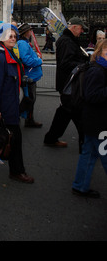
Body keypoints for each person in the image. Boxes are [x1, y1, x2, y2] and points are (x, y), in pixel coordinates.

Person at [0, 24, 34, 183]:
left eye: (15, 36)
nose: (13, 38)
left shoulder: (8, 54)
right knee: (14, 137)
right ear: (1, 38)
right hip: (3, 106)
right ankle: (17, 171)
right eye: (9, 36)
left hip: (8, 104)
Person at [44, 17, 89, 149]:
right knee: (80, 116)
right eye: (81, 28)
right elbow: (66, 63)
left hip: (68, 85)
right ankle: (87, 145)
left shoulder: (68, 40)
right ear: (74, 27)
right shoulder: (67, 42)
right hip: (69, 85)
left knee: (64, 113)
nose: (81, 32)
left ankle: (51, 138)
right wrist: (84, 64)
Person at [72, 38, 107, 198]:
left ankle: (80, 185)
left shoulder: (98, 68)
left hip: (93, 121)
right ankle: (80, 185)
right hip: (99, 122)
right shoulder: (97, 70)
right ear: (101, 51)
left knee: (89, 154)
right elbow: (92, 95)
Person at [17, 23, 43, 128]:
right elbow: (26, 60)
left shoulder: (25, 43)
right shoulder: (23, 43)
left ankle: (28, 118)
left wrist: (34, 55)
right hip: (29, 76)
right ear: (26, 32)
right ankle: (25, 118)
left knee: (30, 99)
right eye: (30, 30)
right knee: (29, 99)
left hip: (31, 75)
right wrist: (38, 60)